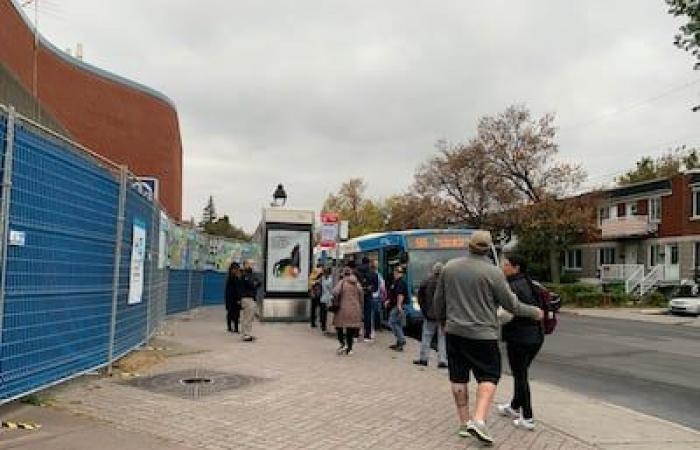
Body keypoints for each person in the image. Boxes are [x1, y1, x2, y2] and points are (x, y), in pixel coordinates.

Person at [433, 230, 543, 445]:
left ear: (469, 245)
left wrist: (443, 322)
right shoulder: (494, 273)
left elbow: (439, 301)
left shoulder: (449, 268)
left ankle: (464, 423)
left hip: (455, 332)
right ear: (488, 248)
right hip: (483, 334)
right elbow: (511, 305)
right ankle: (479, 419)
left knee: (458, 378)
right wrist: (534, 312)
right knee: (489, 376)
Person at [496, 254, 544, 431]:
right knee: (520, 373)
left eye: (506, 264)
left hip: (519, 337)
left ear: (516, 268)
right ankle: (514, 406)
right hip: (536, 336)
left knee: (521, 376)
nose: (503, 267)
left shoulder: (512, 286)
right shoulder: (529, 282)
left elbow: (505, 314)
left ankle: (528, 417)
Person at [413, 262, 448, 368]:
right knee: (442, 338)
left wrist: (424, 310)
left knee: (426, 336)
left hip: (429, 315)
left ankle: (424, 359)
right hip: (442, 316)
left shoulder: (426, 281)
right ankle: (442, 360)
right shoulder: (446, 282)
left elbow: (420, 298)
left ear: (433, 271)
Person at [332, 266, 364, 356]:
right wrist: (361, 307)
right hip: (355, 309)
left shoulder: (342, 282)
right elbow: (361, 295)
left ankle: (342, 344)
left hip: (343, 309)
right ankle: (350, 349)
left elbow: (335, 292)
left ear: (343, 274)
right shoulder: (357, 283)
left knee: (339, 327)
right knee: (350, 329)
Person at [356, 256, 379, 342]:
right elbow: (376, 288)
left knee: (357, 315)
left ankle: (355, 334)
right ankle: (367, 335)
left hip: (357, 296)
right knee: (368, 315)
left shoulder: (356, 271)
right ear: (369, 263)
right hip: (368, 296)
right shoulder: (373, 273)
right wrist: (370, 288)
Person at [386, 266, 408, 352]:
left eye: (398, 272)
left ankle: (402, 340)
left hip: (398, 306)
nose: (395, 273)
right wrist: (388, 300)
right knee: (398, 324)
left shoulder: (401, 283)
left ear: (401, 274)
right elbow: (393, 293)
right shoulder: (396, 282)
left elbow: (400, 294)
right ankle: (399, 343)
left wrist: (399, 305)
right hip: (395, 305)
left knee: (392, 322)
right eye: (395, 272)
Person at [240, 260, 261, 342]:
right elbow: (251, 284)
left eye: (252, 264)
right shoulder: (244, 275)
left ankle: (247, 333)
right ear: (245, 265)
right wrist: (254, 283)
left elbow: (259, 282)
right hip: (247, 298)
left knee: (250, 317)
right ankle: (245, 334)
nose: (251, 265)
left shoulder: (251, 274)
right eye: (249, 264)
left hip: (252, 298)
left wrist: (255, 283)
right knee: (247, 317)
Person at [224, 262, 242, 333]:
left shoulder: (234, 277)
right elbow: (234, 289)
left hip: (234, 298)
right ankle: (230, 327)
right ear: (232, 269)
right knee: (231, 313)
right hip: (231, 298)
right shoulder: (231, 277)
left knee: (236, 313)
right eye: (235, 269)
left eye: (237, 269)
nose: (236, 270)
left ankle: (235, 328)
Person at [319, 267, 333, 332]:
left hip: (325, 298)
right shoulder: (329, 279)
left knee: (324, 313)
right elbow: (331, 289)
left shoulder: (323, 279)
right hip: (326, 298)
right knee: (324, 313)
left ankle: (324, 325)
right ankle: (323, 325)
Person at [309, 264, 324, 328]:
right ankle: (320, 322)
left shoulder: (313, 273)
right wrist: (317, 281)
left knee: (313, 309)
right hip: (318, 294)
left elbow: (310, 283)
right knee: (321, 309)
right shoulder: (320, 273)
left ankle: (313, 323)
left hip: (314, 294)